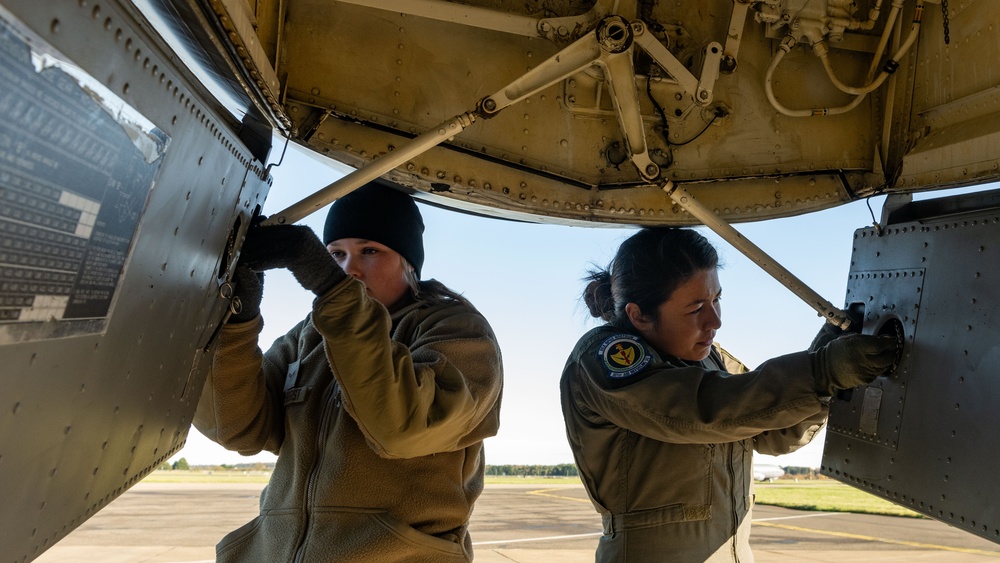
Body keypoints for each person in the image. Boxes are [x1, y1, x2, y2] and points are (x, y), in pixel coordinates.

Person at [194, 180, 504, 562]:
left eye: (370, 251)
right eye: (335, 254)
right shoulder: (309, 337)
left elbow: (403, 427)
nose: (349, 268)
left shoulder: (458, 331)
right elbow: (237, 429)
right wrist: (238, 323)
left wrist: (330, 287)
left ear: (409, 263)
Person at [560, 227, 898, 562]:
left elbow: (770, 430)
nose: (715, 320)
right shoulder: (606, 358)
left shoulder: (708, 358)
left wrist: (825, 357)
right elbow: (701, 411)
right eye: (696, 309)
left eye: (716, 299)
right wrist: (820, 371)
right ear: (639, 315)